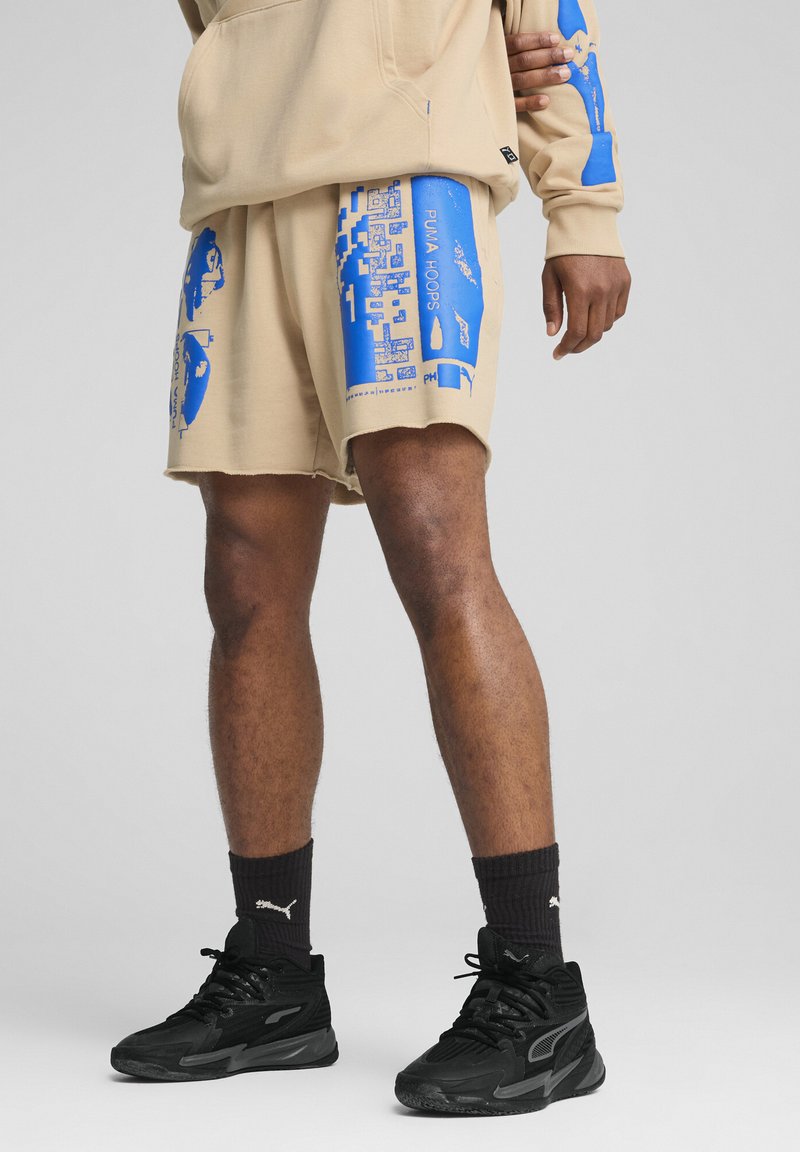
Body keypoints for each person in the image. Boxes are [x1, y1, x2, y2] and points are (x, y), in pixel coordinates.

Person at [111, 0, 631, 1116]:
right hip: (245, 194)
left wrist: (582, 209)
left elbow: (549, 14)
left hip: (406, 177)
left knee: (438, 552)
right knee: (245, 583)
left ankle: (537, 988)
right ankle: (272, 975)